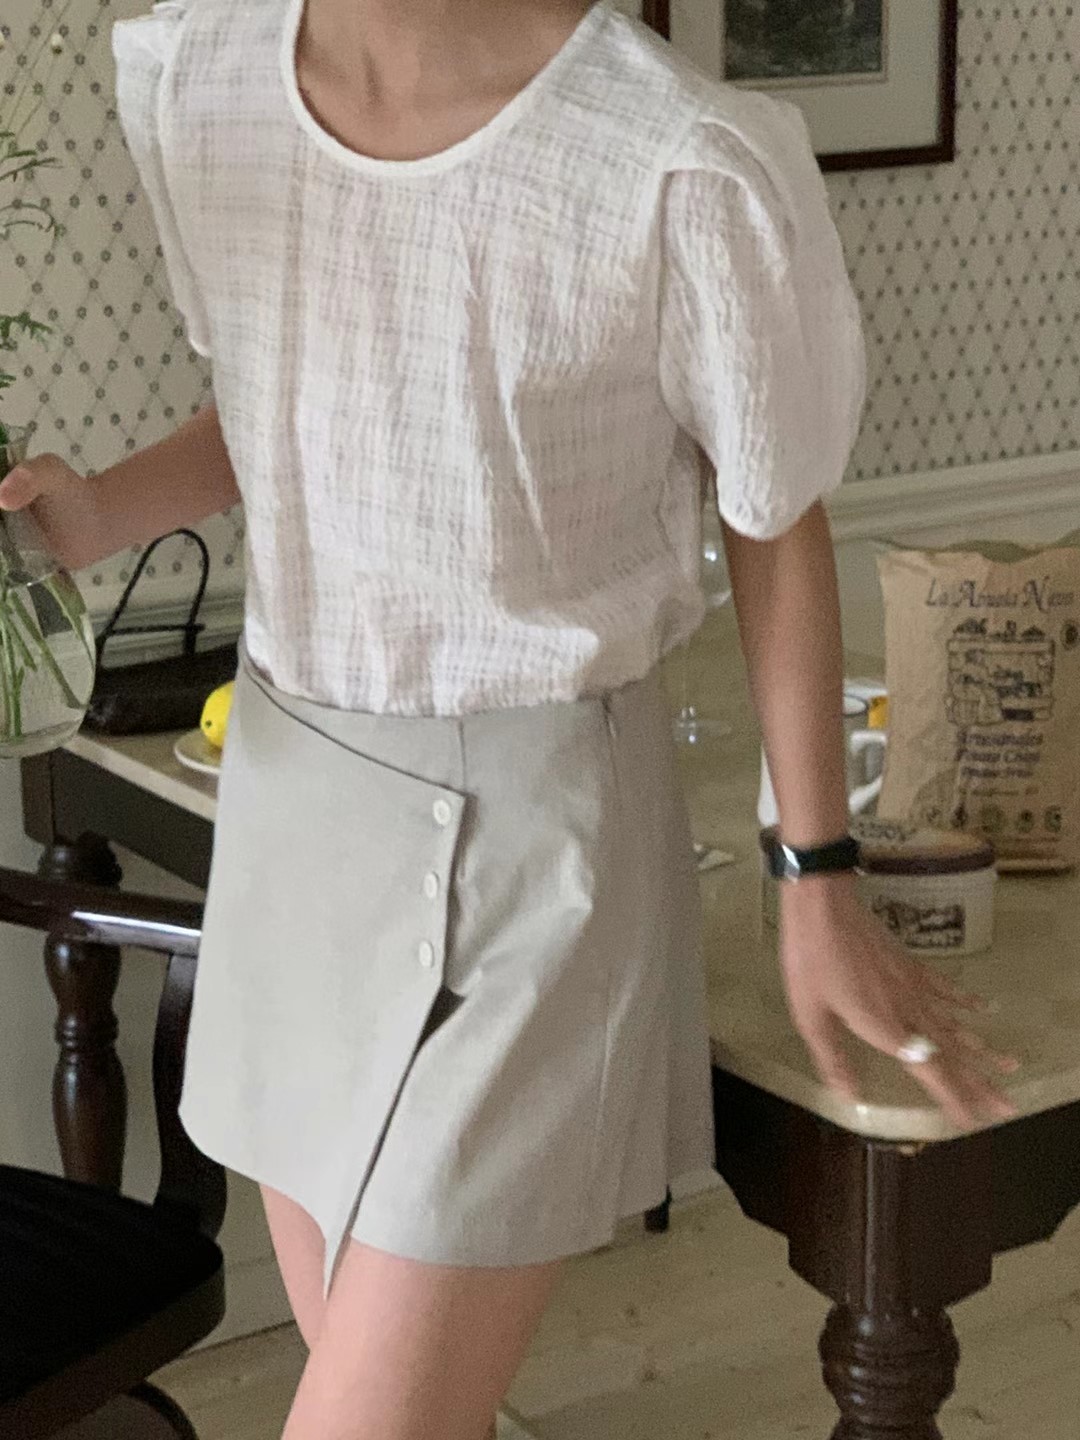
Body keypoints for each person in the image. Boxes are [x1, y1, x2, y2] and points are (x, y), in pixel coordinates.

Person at [0, 2, 1019, 1437]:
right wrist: (96, 514)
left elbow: (773, 516)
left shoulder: (669, 154)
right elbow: (282, 406)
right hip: (296, 812)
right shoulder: (206, 79)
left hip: (537, 854)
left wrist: (817, 876)